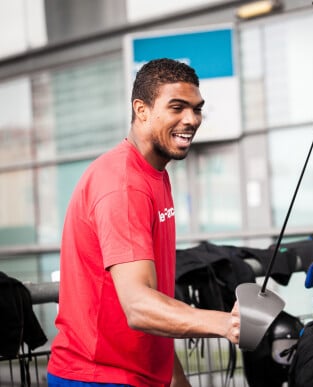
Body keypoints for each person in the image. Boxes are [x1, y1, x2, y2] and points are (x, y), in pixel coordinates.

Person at [47, 58, 240, 387]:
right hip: (97, 378)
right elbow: (138, 305)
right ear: (142, 110)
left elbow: (153, 297)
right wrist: (227, 324)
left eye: (197, 109)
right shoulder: (123, 184)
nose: (191, 120)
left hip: (141, 373)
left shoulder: (153, 174)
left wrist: (175, 377)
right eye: (177, 107)